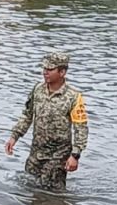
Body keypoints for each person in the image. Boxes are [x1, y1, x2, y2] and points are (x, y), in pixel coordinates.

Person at [5, 52, 89, 191]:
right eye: (44, 69)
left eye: (50, 69)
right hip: (37, 151)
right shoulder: (37, 90)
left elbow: (81, 128)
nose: (45, 72)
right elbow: (27, 115)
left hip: (58, 154)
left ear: (62, 72)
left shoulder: (73, 97)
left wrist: (75, 155)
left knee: (52, 190)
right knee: (29, 187)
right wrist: (14, 137)